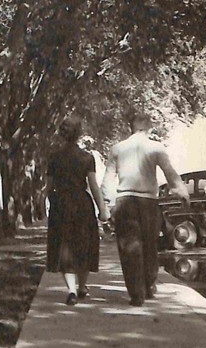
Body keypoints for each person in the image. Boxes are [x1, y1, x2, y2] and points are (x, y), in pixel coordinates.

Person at [101, 111, 190, 306]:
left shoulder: (118, 148)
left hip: (125, 201)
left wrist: (107, 204)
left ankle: (136, 294)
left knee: (129, 248)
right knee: (150, 245)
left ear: (130, 127)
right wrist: (181, 191)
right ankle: (149, 282)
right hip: (149, 202)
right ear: (149, 128)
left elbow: (108, 178)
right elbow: (169, 172)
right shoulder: (156, 147)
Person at [46, 116, 110, 305]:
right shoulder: (87, 158)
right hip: (82, 203)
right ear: (79, 134)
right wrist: (102, 210)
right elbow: (93, 186)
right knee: (84, 245)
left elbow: (49, 187)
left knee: (64, 246)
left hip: (61, 204)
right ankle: (82, 287)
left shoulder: (54, 157)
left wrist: (52, 202)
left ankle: (71, 290)